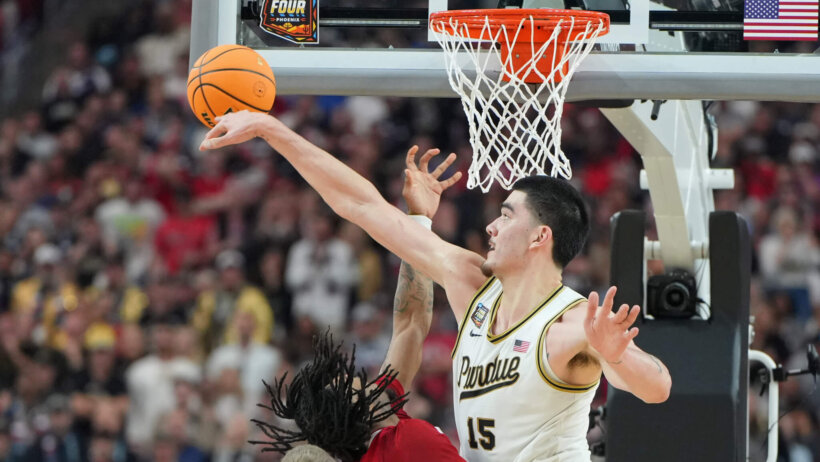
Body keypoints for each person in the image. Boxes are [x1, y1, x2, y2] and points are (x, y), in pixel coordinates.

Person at [201, 111, 672, 461]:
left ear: (539, 237)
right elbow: (363, 206)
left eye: (505, 216)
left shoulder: (569, 323)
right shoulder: (471, 284)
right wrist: (271, 129)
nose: (490, 226)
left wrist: (616, 354)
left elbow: (657, 388)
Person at [250, 147, 464, 461]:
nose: (349, 376)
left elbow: (410, 322)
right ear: (354, 412)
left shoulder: (383, 406)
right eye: (342, 384)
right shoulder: (406, 445)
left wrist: (420, 222)